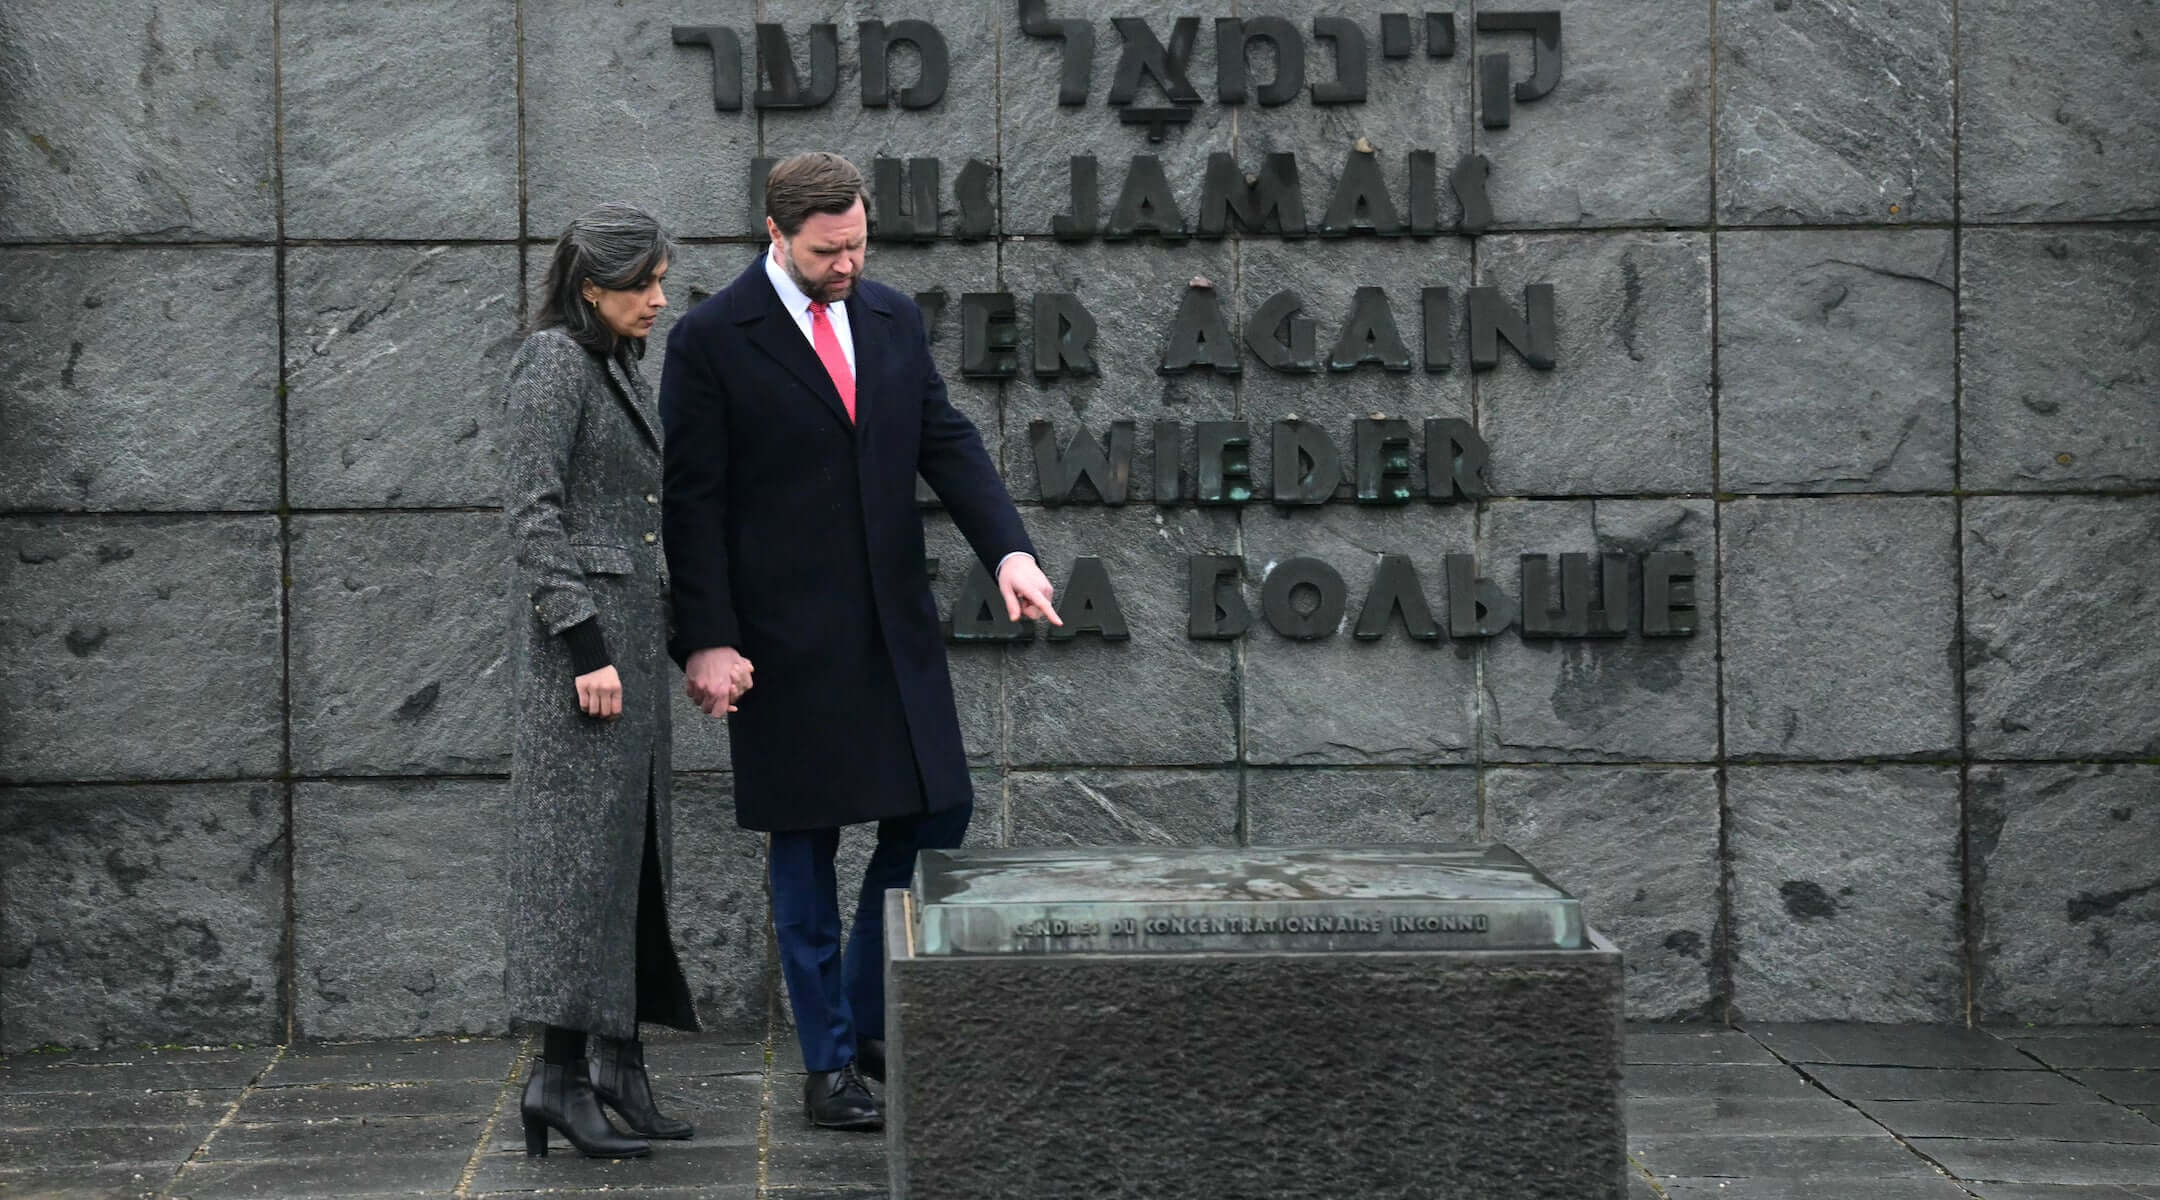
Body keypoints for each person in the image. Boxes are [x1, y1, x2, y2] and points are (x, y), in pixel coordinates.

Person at [660, 152, 1061, 1131]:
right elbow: (691, 505)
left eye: (858, 244)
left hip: (893, 629)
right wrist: (705, 641)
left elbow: (946, 439)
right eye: (828, 251)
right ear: (776, 236)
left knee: (938, 811)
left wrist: (1008, 550)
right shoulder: (712, 341)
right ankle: (828, 1066)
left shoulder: (889, 318)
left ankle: (857, 1012)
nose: (848, 264)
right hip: (781, 642)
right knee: (805, 852)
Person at [503, 204, 720, 1158]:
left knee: (629, 861)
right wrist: (585, 646)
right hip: (582, 668)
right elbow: (533, 515)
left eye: (663, 281)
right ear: (593, 287)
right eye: (645, 285)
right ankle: (555, 1080)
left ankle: (619, 1067)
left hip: (628, 658)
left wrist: (686, 648)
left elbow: (639, 536)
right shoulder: (553, 365)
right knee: (577, 870)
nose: (661, 300)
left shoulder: (614, 368)